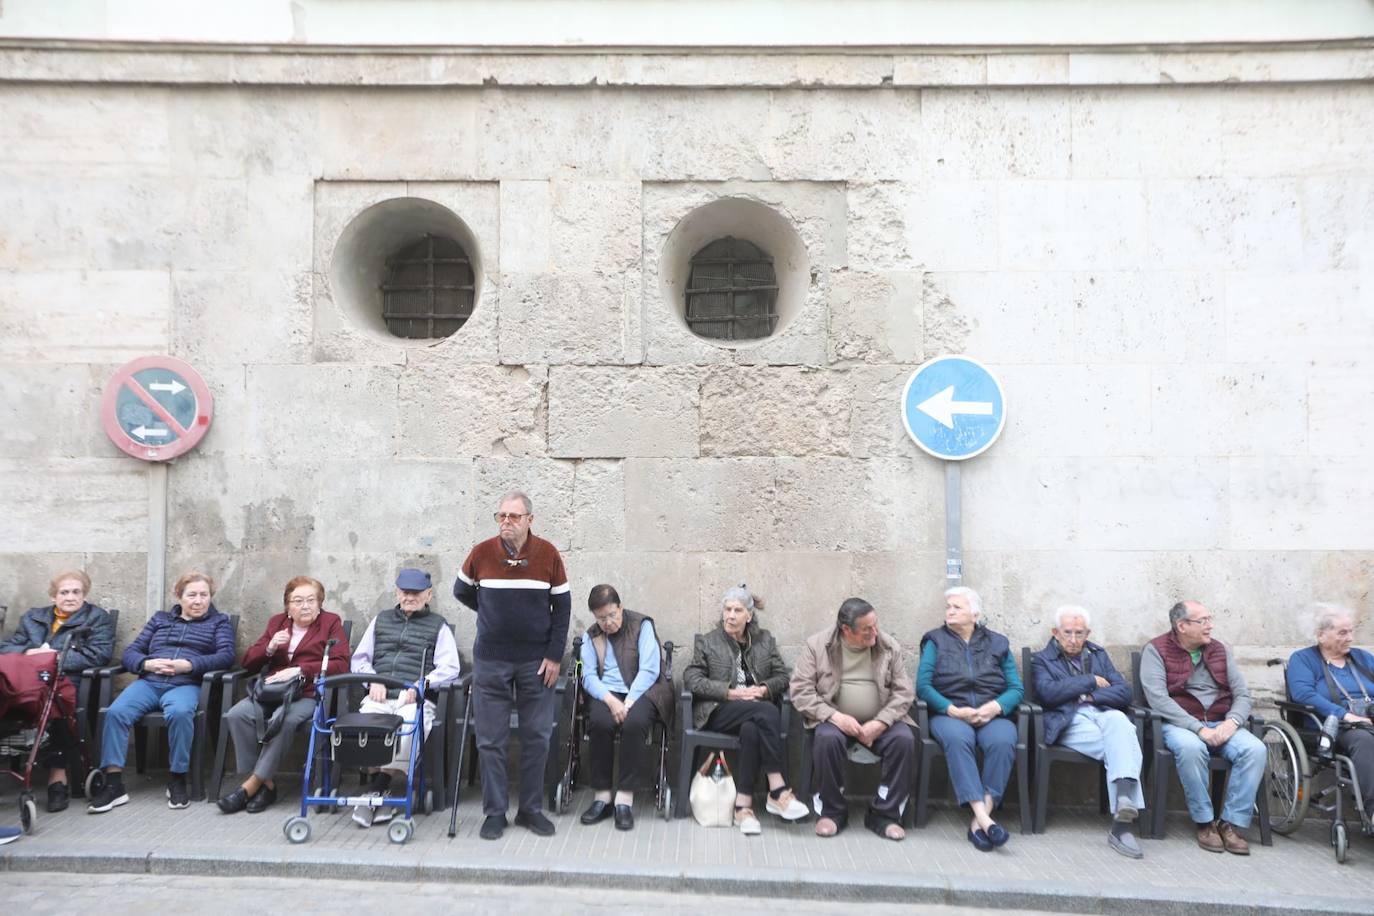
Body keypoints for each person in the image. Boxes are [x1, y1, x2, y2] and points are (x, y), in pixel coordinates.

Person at [454, 490, 571, 841]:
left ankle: (530, 810)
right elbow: (461, 591)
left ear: (529, 520)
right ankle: (494, 813)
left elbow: (562, 609)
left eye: (514, 516)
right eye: (501, 516)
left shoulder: (548, 554)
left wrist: (553, 655)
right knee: (491, 739)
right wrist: (491, 613)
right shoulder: (481, 553)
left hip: (536, 661)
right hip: (490, 660)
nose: (506, 522)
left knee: (537, 736)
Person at [87, 571, 235, 813]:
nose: (198, 601)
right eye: (192, 595)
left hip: (186, 684)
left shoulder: (219, 623)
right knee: (116, 713)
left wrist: (190, 665)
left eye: (204, 595)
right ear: (179, 596)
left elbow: (226, 656)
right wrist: (147, 664)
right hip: (149, 682)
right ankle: (114, 785)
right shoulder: (160, 620)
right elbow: (131, 652)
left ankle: (177, 779)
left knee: (179, 713)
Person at [217, 576, 351, 815]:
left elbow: (341, 664)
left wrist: (301, 669)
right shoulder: (277, 623)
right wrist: (269, 648)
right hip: (272, 692)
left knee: (285, 719)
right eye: (297, 600)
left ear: (320, 603)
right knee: (238, 714)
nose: (305, 606)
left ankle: (250, 786)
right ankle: (266, 785)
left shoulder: (330, 623)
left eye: (311, 600)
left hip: (307, 693)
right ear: (288, 606)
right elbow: (248, 663)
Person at [1141, 599, 1265, 855]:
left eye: (1210, 619)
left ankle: (1230, 823)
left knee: (1255, 749)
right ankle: (1204, 822)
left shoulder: (1219, 650)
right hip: (1180, 723)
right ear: (1182, 626)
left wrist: (1233, 722)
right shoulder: (1155, 650)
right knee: (1190, 748)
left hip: (1222, 721)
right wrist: (1198, 728)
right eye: (1203, 621)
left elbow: (1242, 694)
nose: (1211, 626)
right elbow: (1158, 699)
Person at [683, 584, 808, 835]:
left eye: (737, 610)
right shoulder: (708, 642)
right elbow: (692, 678)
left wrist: (762, 689)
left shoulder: (764, 641)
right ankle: (778, 789)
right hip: (719, 710)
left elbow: (783, 676)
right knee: (766, 712)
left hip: (755, 712)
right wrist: (730, 692)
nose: (730, 615)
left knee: (753, 728)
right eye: (727, 609)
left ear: (749, 615)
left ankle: (743, 807)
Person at [791, 597, 915, 841]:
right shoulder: (818, 646)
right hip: (834, 719)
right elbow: (800, 691)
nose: (875, 632)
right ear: (846, 630)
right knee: (826, 739)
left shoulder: (888, 646)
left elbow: (904, 692)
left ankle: (885, 814)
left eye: (875, 625)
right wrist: (835, 716)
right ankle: (832, 811)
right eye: (867, 628)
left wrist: (880, 722)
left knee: (904, 740)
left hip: (880, 721)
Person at [1030, 604, 1145, 858]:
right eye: (1067, 632)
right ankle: (1122, 825)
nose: (1073, 639)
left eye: (1079, 633)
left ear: (1088, 633)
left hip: (1101, 712)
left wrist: (1088, 696)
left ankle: (1123, 808)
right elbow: (1049, 693)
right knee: (1125, 745)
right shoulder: (1041, 659)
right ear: (1055, 632)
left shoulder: (1098, 654)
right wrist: (1091, 681)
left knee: (1120, 723)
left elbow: (1124, 691)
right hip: (1066, 721)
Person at [349, 568, 460, 827]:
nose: (410, 597)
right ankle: (383, 794)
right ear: (397, 592)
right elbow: (360, 659)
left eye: (416, 592)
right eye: (405, 592)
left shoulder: (438, 625)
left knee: (409, 724)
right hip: (380, 694)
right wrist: (373, 680)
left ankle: (379, 789)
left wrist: (422, 685)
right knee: (368, 723)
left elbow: (449, 667)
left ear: (428, 594)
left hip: (414, 698)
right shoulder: (381, 619)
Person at [916, 586, 1024, 852]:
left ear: (974, 614)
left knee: (1003, 740)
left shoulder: (998, 643)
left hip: (990, 713)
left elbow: (1016, 688)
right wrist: (952, 709)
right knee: (957, 738)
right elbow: (923, 686)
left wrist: (995, 707)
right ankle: (986, 818)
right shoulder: (935, 641)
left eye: (957, 607)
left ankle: (979, 822)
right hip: (950, 714)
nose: (950, 611)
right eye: (948, 607)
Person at [0, 570, 114, 812]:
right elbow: (9, 646)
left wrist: (56, 658)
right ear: (53, 596)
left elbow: (99, 654)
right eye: (64, 592)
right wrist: (30, 652)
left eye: (76, 592)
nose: (70, 597)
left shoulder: (96, 619)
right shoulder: (34, 617)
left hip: (66, 679)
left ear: (85, 595)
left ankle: (57, 776)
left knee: (54, 700)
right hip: (28, 678)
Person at [576, 584, 672, 831]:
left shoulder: (641, 625)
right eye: (601, 618)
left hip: (642, 690)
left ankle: (625, 798)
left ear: (620, 607)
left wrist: (628, 703)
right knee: (599, 722)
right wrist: (610, 700)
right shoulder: (592, 636)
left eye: (611, 615)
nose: (607, 622)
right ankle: (603, 796)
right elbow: (588, 676)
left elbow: (650, 670)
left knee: (635, 723)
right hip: (608, 693)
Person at [1285, 603, 1374, 824]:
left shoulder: (1363, 658)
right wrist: (1345, 715)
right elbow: (1303, 694)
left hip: (1369, 720)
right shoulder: (1303, 659)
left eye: (1351, 631)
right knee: (1363, 740)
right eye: (1342, 632)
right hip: (1333, 726)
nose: (1350, 638)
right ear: (1321, 635)